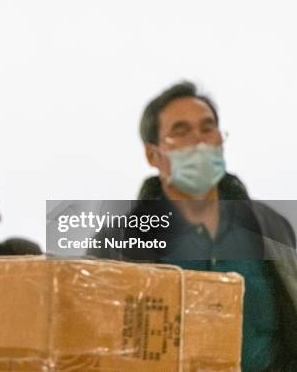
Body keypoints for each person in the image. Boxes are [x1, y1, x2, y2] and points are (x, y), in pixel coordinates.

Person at [89, 81, 297, 370]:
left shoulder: (270, 227)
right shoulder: (119, 242)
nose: (199, 141)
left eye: (207, 128)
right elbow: (95, 338)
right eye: (181, 131)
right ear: (153, 154)